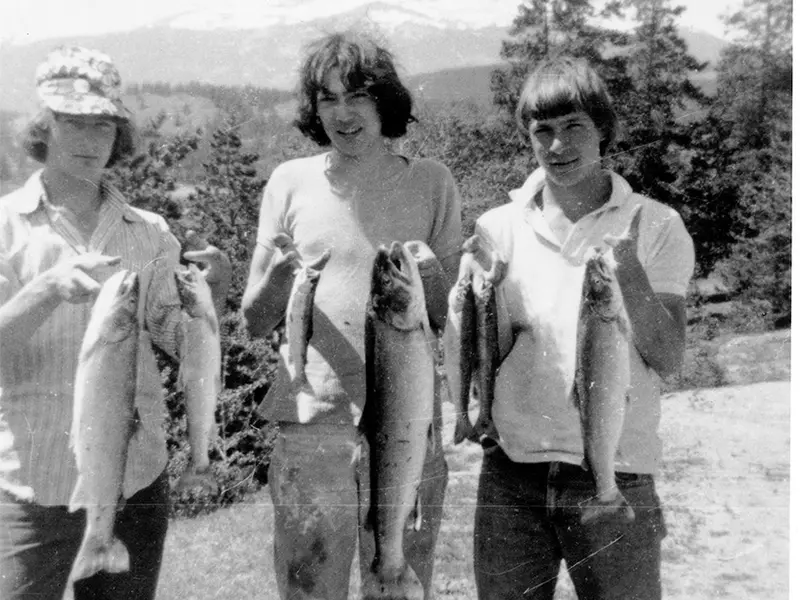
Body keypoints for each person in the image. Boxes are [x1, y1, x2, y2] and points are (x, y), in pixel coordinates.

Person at [447, 57, 695, 599]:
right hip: (513, 475)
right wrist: (480, 300)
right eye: (543, 131)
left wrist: (628, 271)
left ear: (603, 129)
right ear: (528, 138)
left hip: (617, 471)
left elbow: (669, 356)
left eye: (574, 127)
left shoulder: (657, 224)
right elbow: (498, 351)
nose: (558, 146)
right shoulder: (497, 227)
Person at [0, 46, 231, 600]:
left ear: (118, 135)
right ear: (43, 126)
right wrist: (46, 290)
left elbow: (181, 341)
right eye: (72, 123)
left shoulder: (149, 233)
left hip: (135, 484)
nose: (88, 141)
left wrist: (211, 298)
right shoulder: (7, 228)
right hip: (32, 491)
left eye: (101, 126)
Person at [242, 31, 462, 600]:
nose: (342, 113)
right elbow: (255, 321)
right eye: (327, 99)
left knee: (398, 585)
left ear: (384, 100)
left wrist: (434, 276)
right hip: (311, 429)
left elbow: (448, 318)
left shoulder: (433, 182)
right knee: (308, 589)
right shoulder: (288, 183)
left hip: (409, 428)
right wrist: (279, 276)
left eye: (357, 96)